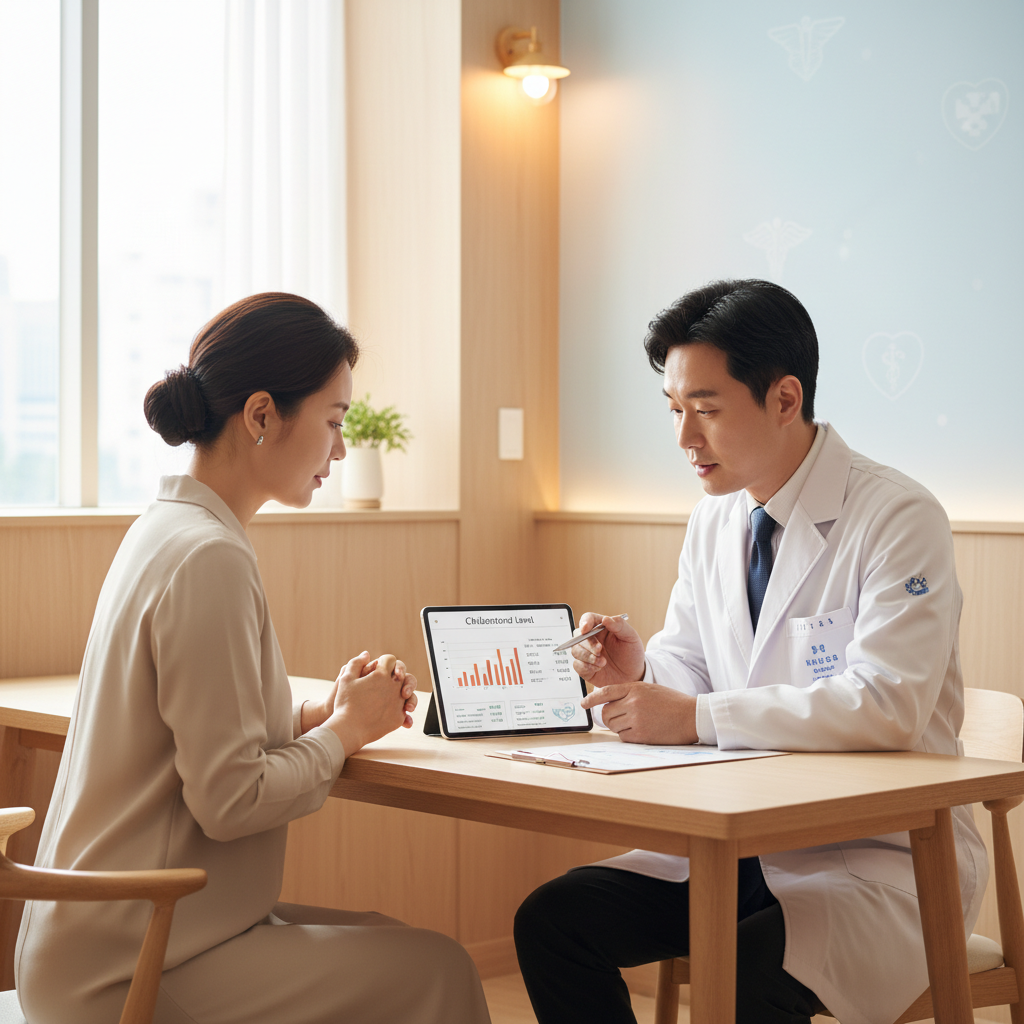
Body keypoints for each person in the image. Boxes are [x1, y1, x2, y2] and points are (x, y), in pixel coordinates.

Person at [514, 279, 988, 1024]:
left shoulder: (897, 515)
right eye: (675, 411)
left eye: (705, 410)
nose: (684, 439)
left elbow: (888, 706)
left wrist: (694, 715)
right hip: (741, 850)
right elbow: (695, 674)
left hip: (876, 857)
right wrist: (640, 673)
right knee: (554, 920)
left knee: (746, 978)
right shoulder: (716, 520)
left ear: (785, 399)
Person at [16, 293, 491, 1024]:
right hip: (131, 961)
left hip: (118, 934)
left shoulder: (170, 529)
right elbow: (231, 799)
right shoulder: (208, 556)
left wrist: (321, 711)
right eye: (334, 423)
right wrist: (345, 734)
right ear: (263, 415)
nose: (340, 449)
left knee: (397, 946)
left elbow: (205, 730)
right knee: (437, 972)